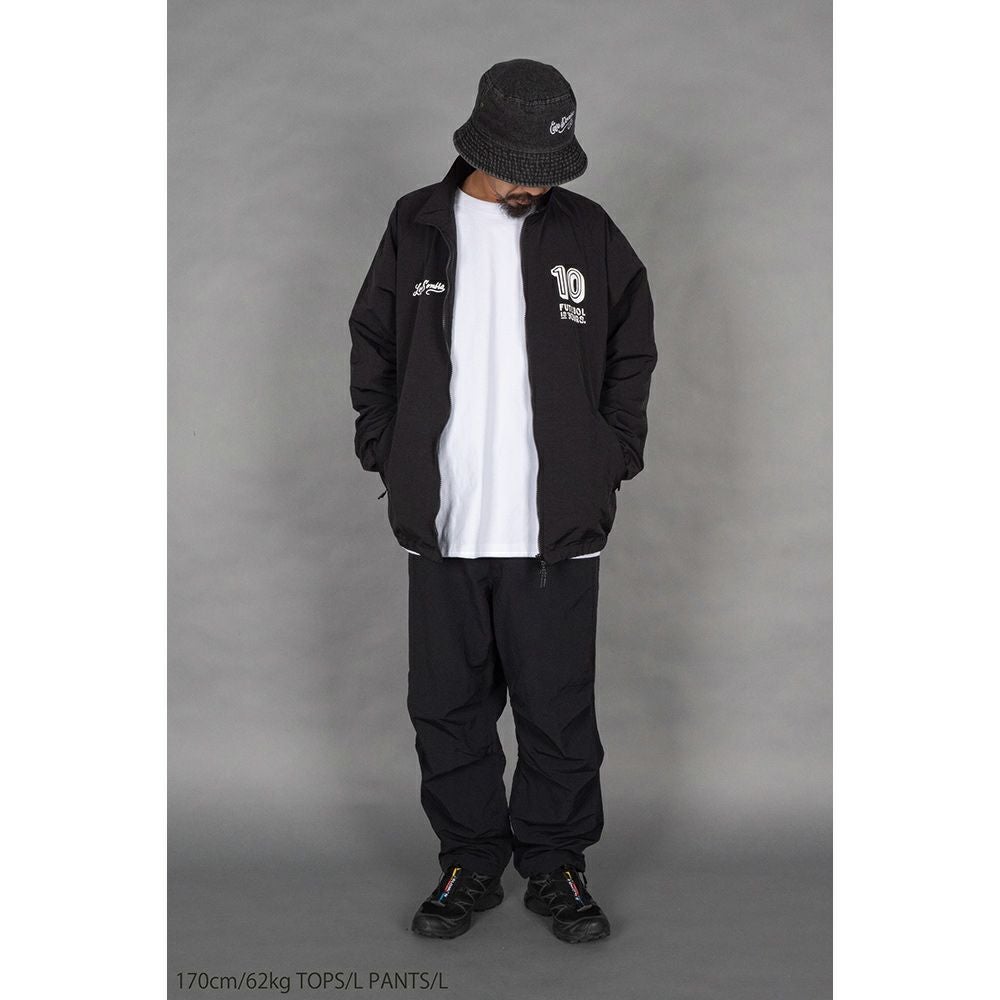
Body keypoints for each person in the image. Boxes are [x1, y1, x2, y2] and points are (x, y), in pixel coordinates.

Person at [349, 59, 657, 944]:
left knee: (558, 711)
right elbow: (373, 342)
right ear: (480, 144)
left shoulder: (590, 233)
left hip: (554, 527)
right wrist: (386, 446)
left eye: (550, 169)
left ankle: (557, 866)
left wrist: (609, 455)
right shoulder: (416, 225)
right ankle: (469, 864)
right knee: (448, 710)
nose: (537, 185)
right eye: (524, 167)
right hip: (444, 525)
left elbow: (632, 348)